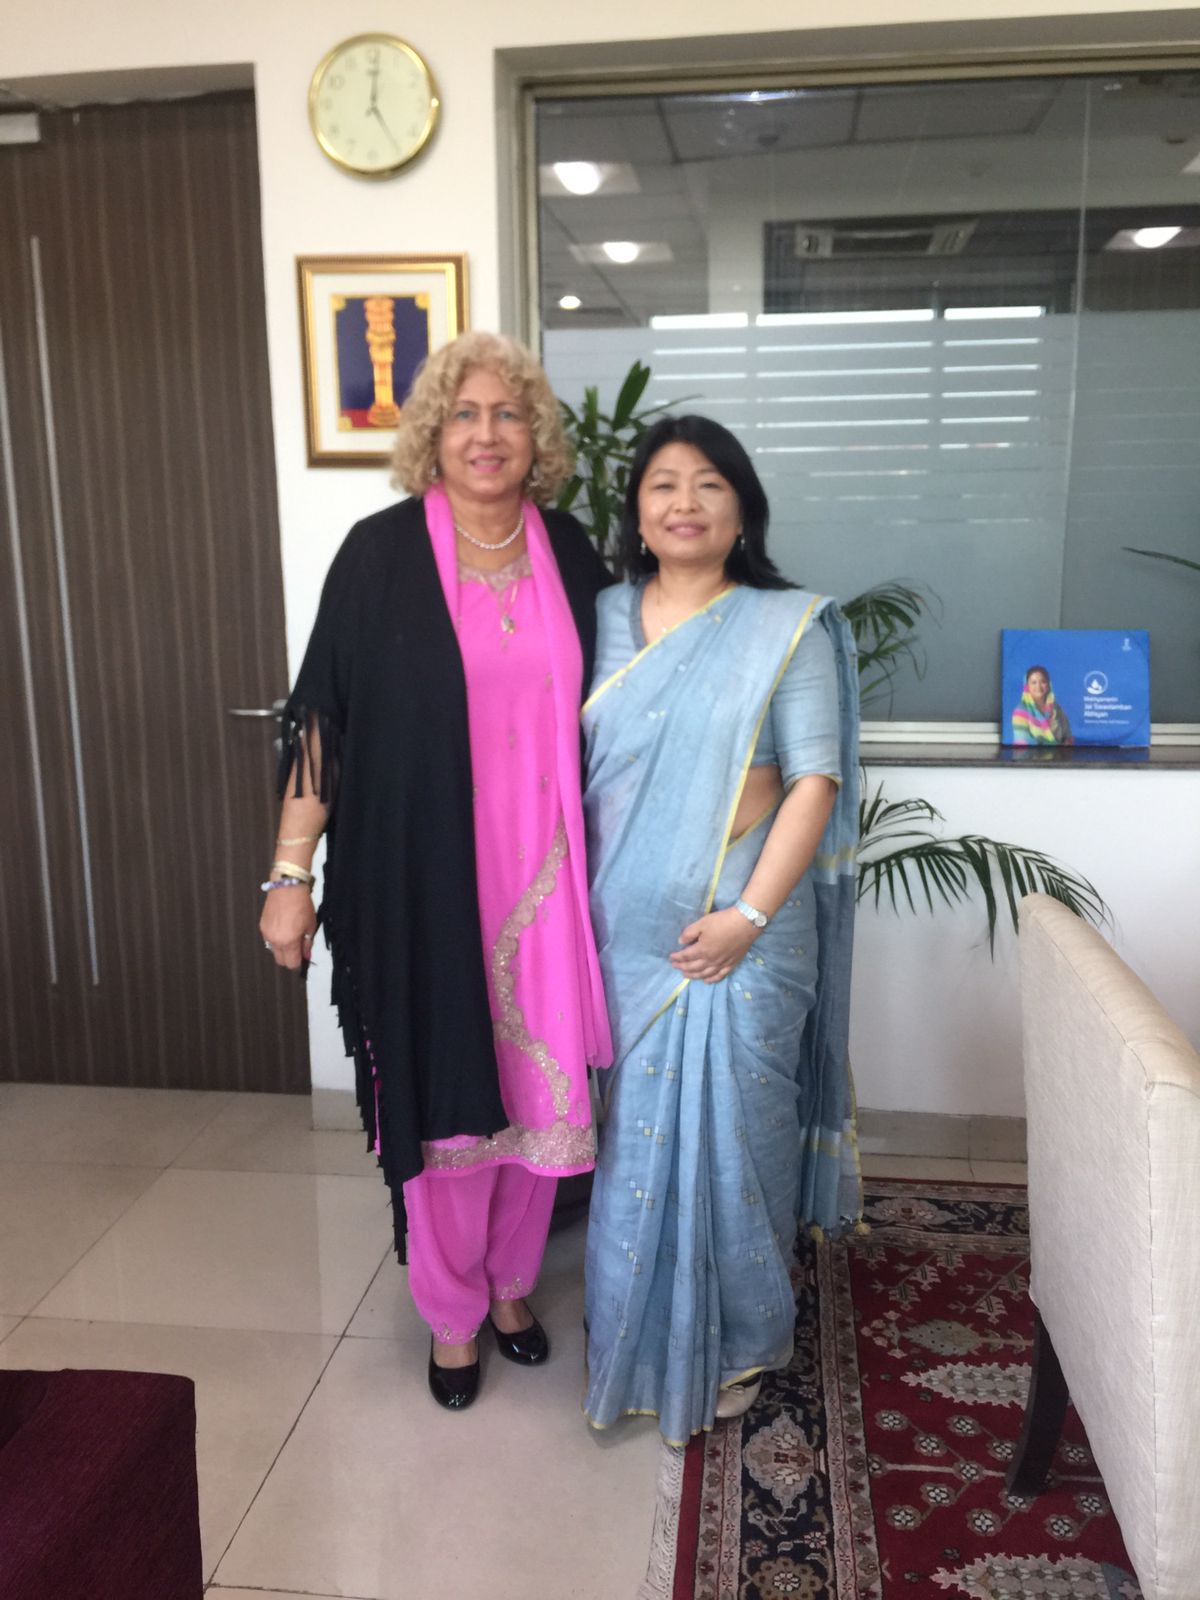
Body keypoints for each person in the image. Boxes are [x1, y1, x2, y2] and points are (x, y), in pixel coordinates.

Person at [260, 331, 612, 1410]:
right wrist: (288, 873)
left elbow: (629, 704)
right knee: (448, 1101)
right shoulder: (378, 556)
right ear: (433, 434)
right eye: (465, 414)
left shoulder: (570, 550)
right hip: (423, 880)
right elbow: (323, 721)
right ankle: (452, 1311)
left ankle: (513, 1285)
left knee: (535, 1094)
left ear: (535, 436)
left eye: (508, 414)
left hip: (550, 880)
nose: (487, 434)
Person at [581, 414, 861, 1446]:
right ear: (637, 511)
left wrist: (747, 916)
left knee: (740, 1135)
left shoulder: (786, 625)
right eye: (663, 483)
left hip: (748, 928)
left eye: (709, 483)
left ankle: (739, 1336)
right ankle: (633, 1329)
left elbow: (814, 779)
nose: (685, 502)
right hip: (626, 929)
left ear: (743, 509)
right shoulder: (602, 615)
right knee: (634, 1139)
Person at [1011, 665, 1073, 745]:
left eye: (1043, 682)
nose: (1038, 686)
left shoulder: (1056, 709)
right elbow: (1022, 743)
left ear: (1048, 684)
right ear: (1027, 687)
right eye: (1033, 683)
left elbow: (1068, 735)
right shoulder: (1020, 711)